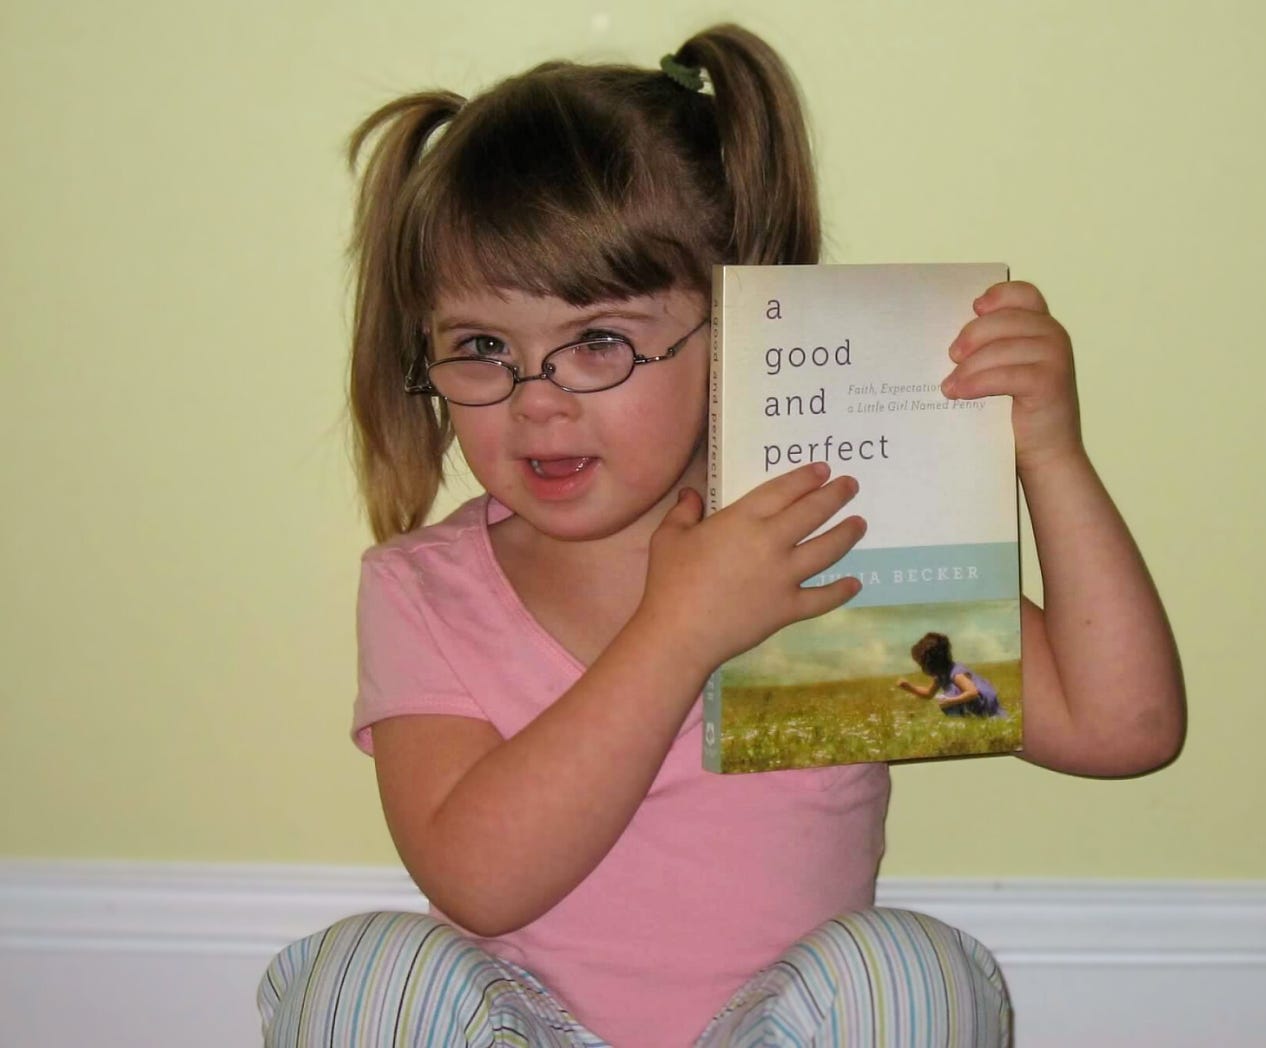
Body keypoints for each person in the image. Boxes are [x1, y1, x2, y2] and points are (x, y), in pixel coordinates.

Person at [258, 23, 1184, 1048]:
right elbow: (479, 882)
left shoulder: (818, 545)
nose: (536, 402)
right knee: (364, 974)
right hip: (531, 1030)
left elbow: (1122, 727)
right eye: (481, 348)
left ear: (735, 324)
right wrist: (679, 632)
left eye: (597, 342)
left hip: (781, 1030)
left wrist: (1049, 458)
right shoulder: (426, 589)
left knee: (908, 972)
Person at [897, 632, 1006, 718]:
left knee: (948, 701)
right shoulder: (942, 675)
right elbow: (928, 694)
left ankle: (977, 717)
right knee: (947, 701)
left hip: (984, 706)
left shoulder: (956, 674)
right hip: (973, 703)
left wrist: (951, 701)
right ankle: (971, 717)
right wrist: (909, 687)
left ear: (931, 664)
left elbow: (972, 692)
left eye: (921, 664)